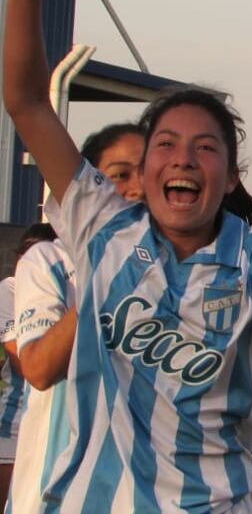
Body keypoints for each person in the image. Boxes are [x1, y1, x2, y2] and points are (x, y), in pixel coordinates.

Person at [0, 0, 252, 513]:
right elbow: (27, 102)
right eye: (167, 144)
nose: (183, 158)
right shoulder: (99, 225)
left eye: (206, 147)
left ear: (232, 176)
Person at [6, 123, 143, 513]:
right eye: (120, 175)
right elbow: (39, 368)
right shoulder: (50, 262)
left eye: (148, 174)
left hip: (135, 493)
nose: (137, 188)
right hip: (53, 492)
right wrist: (106, 278)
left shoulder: (175, 275)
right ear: (90, 188)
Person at [0, 223, 58, 511]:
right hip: (13, 425)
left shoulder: (65, 285)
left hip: (57, 426)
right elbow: (23, 360)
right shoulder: (9, 289)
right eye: (27, 253)